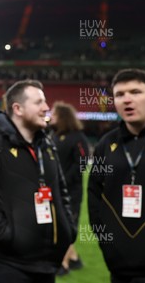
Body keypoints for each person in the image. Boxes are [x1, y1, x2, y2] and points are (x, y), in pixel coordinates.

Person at [0, 80, 76, 283]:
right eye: (39, 102)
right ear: (18, 108)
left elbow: (62, 192)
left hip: (44, 264)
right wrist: (6, 235)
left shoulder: (46, 144)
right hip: (4, 266)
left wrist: (68, 229)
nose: (46, 108)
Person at [88, 69, 145, 283]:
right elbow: (94, 197)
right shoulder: (106, 144)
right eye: (120, 94)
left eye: (135, 92)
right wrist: (108, 245)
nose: (127, 99)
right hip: (120, 268)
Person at [49, 101, 89, 276]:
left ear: (62, 116)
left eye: (54, 113)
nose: (51, 115)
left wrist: (64, 180)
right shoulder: (54, 136)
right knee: (59, 225)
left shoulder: (77, 137)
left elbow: (82, 163)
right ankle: (73, 259)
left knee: (65, 227)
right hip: (54, 190)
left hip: (71, 191)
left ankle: (62, 265)